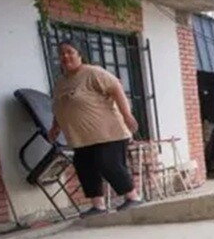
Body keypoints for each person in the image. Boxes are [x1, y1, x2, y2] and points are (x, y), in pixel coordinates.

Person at [47, 40, 143, 217]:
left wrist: (127, 115)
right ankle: (98, 206)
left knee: (109, 164)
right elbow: (59, 107)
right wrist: (55, 127)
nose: (65, 56)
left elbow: (116, 88)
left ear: (79, 55)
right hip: (80, 137)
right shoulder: (60, 83)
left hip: (108, 133)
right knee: (84, 167)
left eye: (70, 52)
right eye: (61, 53)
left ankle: (133, 197)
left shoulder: (93, 73)